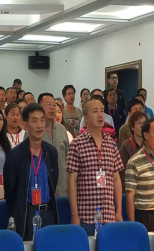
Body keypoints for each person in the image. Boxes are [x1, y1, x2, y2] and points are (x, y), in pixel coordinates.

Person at [67, 96, 124, 236]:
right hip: (86, 216)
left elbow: (116, 179)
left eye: (102, 111)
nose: (100, 115)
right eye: (95, 111)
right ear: (86, 118)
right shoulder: (77, 144)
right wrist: (75, 215)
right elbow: (72, 182)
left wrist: (118, 211)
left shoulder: (111, 144)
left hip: (109, 216)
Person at [4, 104, 59, 240]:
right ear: (25, 125)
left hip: (48, 212)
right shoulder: (15, 155)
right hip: (26, 214)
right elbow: (10, 193)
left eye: (42, 120)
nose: (39, 125)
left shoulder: (51, 152)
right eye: (34, 121)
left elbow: (54, 182)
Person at [39, 93, 70, 197]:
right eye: (48, 104)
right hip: (41, 188)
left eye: (54, 105)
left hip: (62, 189)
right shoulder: (34, 129)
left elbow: (68, 159)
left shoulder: (62, 129)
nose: (52, 108)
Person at [119, 112, 147, 185]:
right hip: (131, 185)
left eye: (144, 123)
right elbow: (122, 172)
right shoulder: (126, 146)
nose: (142, 126)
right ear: (132, 127)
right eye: (139, 123)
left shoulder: (148, 145)